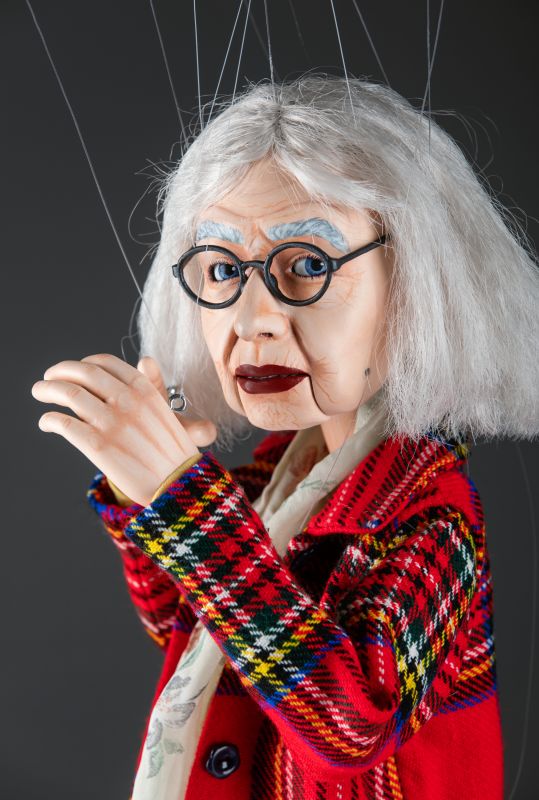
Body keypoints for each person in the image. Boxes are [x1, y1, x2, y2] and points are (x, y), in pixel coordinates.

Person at [31, 76, 539, 800]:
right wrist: (141, 492)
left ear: (416, 286)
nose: (250, 320)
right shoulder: (270, 483)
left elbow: (351, 728)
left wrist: (182, 504)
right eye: (220, 269)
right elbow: (181, 622)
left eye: (306, 266)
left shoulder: (431, 516)